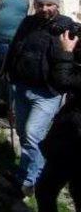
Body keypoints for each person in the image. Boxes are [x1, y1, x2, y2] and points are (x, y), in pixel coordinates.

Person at [2, 0, 72, 197]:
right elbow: (16, 46)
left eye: (49, 5)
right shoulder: (28, 23)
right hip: (22, 86)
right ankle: (24, 172)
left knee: (33, 135)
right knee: (24, 133)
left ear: (57, 5)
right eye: (40, 5)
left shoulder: (66, 27)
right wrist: (7, 70)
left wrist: (67, 25)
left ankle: (32, 179)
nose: (44, 9)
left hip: (47, 93)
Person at [35, 30, 81, 211]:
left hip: (74, 140)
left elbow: (63, 81)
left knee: (47, 189)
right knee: (48, 190)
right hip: (69, 136)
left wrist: (66, 53)